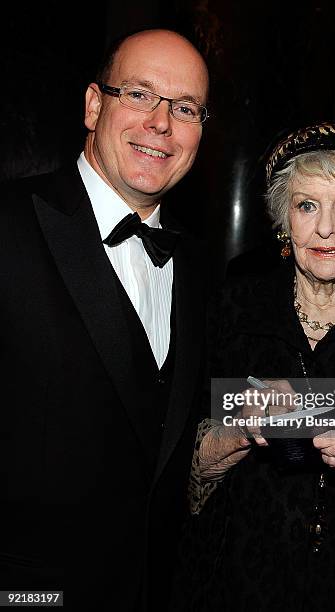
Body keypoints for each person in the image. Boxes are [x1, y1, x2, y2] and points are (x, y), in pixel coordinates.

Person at [174, 119, 335, 611]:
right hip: (232, 583)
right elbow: (178, 468)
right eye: (306, 205)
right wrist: (241, 427)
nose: (325, 229)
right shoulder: (230, 313)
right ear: (283, 221)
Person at [0, 29, 209, 611]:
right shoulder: (9, 225)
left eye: (185, 108)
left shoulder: (201, 269)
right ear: (95, 105)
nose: (162, 123)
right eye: (140, 95)